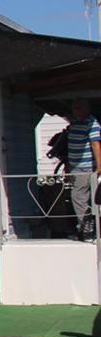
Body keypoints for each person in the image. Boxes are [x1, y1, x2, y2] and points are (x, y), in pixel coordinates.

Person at [66, 98, 101, 241]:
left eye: (79, 108)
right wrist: (68, 167)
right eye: (74, 108)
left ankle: (87, 229)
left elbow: (95, 144)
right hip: (75, 167)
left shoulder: (91, 123)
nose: (76, 111)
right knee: (80, 198)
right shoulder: (74, 123)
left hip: (86, 167)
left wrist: (99, 166)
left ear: (87, 109)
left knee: (78, 197)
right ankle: (85, 229)